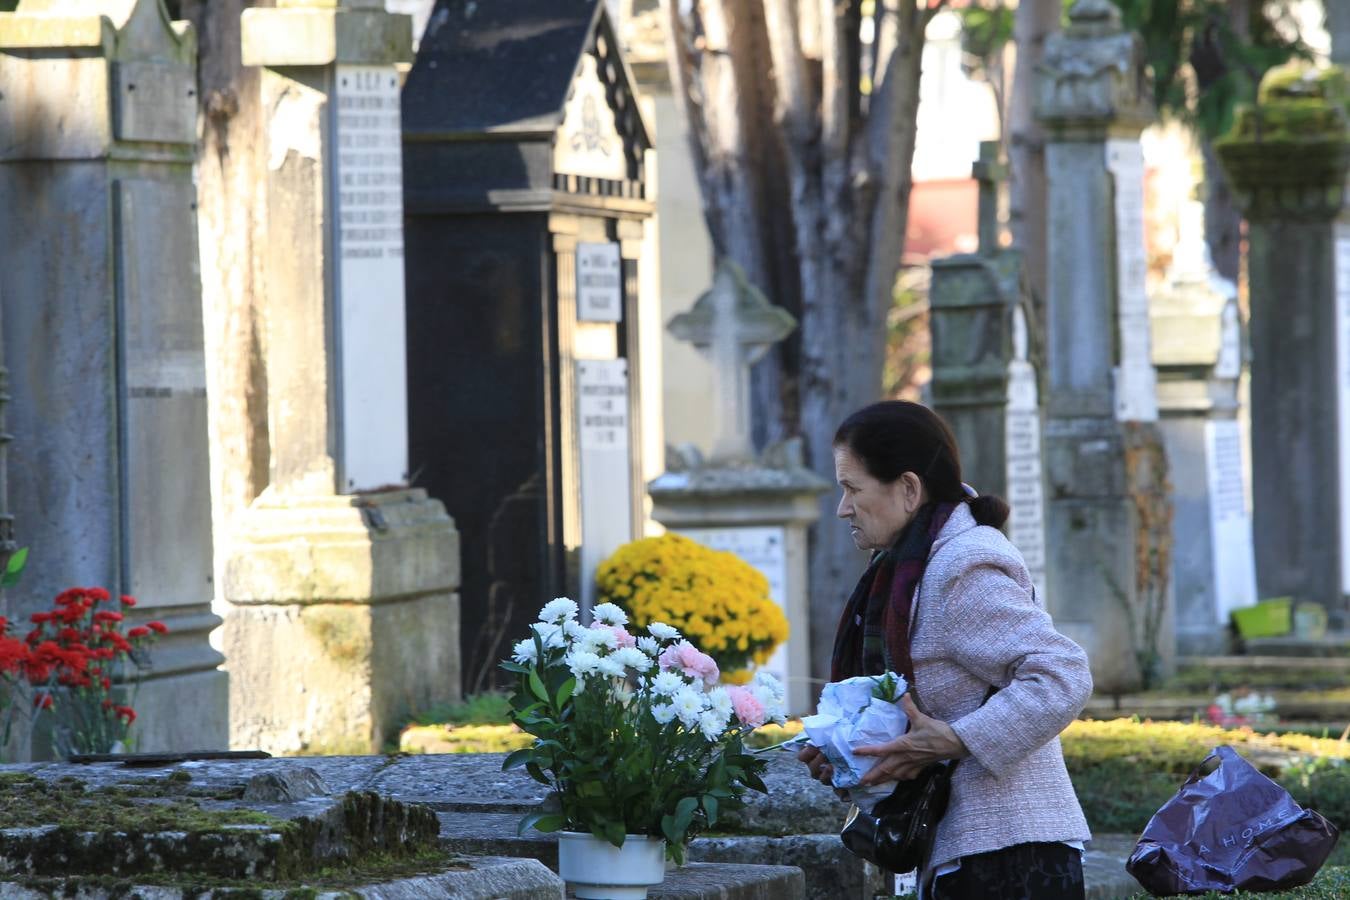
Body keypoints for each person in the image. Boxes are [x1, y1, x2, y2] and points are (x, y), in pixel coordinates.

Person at [798, 401, 1093, 899]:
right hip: (964, 854)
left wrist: (959, 738)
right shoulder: (904, 568)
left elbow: (1062, 675)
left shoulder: (963, 564)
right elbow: (918, 715)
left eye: (852, 488)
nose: (842, 508)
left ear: (909, 489)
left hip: (1009, 855)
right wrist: (848, 751)